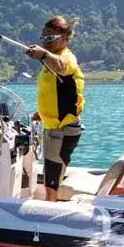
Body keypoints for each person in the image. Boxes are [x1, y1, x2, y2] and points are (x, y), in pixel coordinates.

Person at [25, 15, 85, 201]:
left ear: (64, 38)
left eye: (50, 38)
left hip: (62, 129)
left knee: (52, 178)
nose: (46, 42)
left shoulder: (66, 58)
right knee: (52, 171)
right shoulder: (51, 60)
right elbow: (55, 93)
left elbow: (62, 68)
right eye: (43, 38)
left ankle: (50, 211)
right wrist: (42, 114)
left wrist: (43, 54)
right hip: (55, 124)